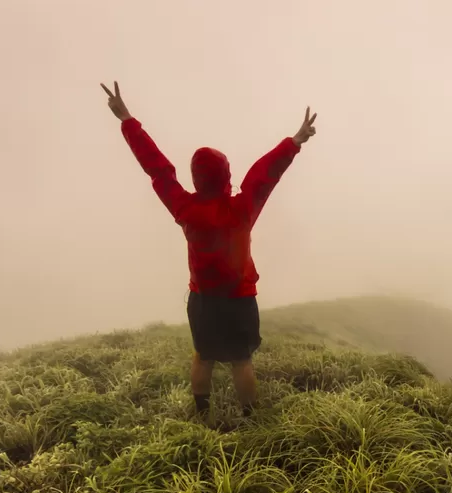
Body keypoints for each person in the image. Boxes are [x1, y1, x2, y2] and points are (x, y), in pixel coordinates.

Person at [99, 81, 317, 419]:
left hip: (203, 300)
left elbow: (157, 168)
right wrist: (295, 141)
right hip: (240, 299)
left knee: (203, 357)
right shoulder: (241, 209)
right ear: (226, 174)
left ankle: (202, 415)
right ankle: (250, 418)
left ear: (197, 179)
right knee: (241, 361)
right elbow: (264, 175)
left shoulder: (185, 208)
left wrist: (126, 119)